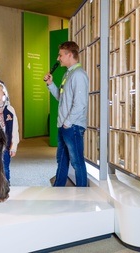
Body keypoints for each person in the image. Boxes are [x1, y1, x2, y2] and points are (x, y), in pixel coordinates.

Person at [43, 41, 89, 187]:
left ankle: (83, 194)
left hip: (73, 126)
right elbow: (61, 98)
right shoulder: (67, 75)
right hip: (65, 125)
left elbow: (80, 104)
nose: (58, 58)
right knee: (61, 160)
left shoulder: (79, 75)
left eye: (61, 55)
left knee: (77, 162)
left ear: (69, 55)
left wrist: (67, 123)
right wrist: (51, 84)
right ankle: (58, 189)